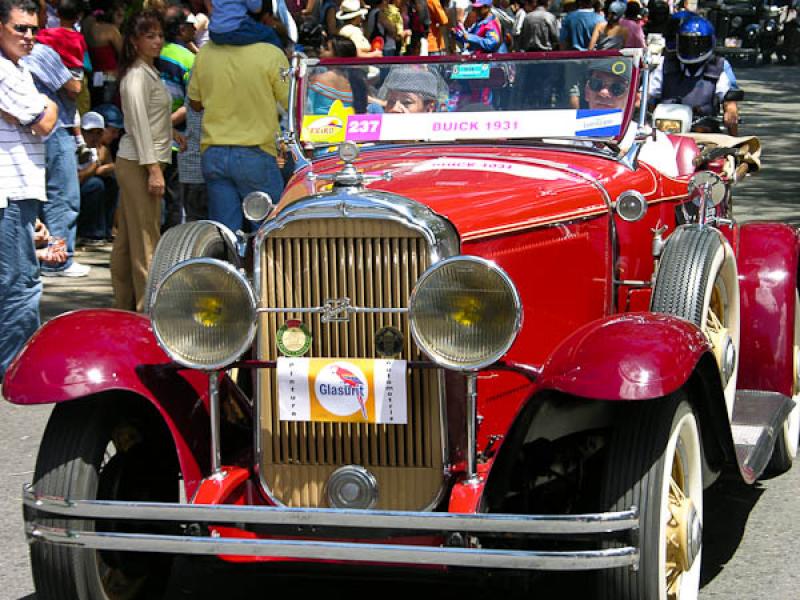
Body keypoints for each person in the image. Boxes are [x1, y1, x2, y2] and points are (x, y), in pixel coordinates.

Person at [188, 3, 289, 233]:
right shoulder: (271, 53)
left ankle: (228, 269)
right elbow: (291, 103)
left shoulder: (205, 53)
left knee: (225, 235)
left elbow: (195, 104)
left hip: (213, 154)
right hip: (255, 154)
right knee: (271, 232)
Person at [0, 0, 59, 377]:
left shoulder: (16, 70)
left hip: (18, 190)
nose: (29, 37)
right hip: (10, 192)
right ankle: (15, 372)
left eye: (34, 30)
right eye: (20, 28)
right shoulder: (5, 73)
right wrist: (48, 103)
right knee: (20, 288)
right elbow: (45, 122)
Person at [112, 10, 176, 312]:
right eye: (150, 36)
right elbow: (137, 124)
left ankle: (125, 306)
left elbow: (147, 119)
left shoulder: (146, 72)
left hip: (140, 160)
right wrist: (153, 171)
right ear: (135, 41)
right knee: (146, 241)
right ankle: (148, 311)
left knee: (128, 240)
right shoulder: (137, 75)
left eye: (160, 35)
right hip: (140, 163)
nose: (158, 41)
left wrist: (172, 132)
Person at [23, 32, 90, 277]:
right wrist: (73, 70)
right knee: (62, 197)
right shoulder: (42, 52)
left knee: (50, 198)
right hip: (56, 128)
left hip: (38, 131)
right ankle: (58, 260)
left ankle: (51, 256)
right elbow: (73, 87)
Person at [649, 15, 740, 136]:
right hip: (663, 134)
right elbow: (647, 95)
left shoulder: (718, 66)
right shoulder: (665, 64)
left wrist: (731, 110)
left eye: (697, 43)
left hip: (704, 134)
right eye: (686, 43)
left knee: (732, 153)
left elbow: (729, 99)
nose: (691, 48)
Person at [76, 110, 119, 245]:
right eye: (90, 132)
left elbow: (110, 168)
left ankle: (107, 230)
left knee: (111, 183)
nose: (94, 137)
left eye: (99, 133)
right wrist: (97, 164)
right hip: (74, 193)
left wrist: (108, 167)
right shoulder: (74, 147)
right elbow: (78, 179)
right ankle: (90, 233)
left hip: (89, 189)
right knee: (95, 184)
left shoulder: (100, 148)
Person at [208, 0, 283, 47]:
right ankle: (284, 67)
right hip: (234, 30)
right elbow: (256, 9)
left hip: (214, 33)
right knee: (270, 34)